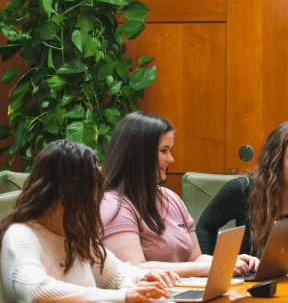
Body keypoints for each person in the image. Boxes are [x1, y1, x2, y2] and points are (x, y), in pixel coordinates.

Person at [0, 140, 177, 303]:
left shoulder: (76, 233)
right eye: (91, 181)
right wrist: (122, 296)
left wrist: (142, 278)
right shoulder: (20, 234)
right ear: (64, 187)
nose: (97, 191)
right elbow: (34, 291)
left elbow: (117, 274)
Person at [100, 112, 256, 277]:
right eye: (164, 151)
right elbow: (135, 269)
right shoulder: (113, 205)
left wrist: (230, 261)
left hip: (181, 293)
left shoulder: (170, 197)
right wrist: (211, 268)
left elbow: (195, 259)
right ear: (139, 154)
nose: (171, 159)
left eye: (170, 150)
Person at [195, 119, 288, 259]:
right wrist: (209, 265)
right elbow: (204, 227)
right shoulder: (243, 189)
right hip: (254, 281)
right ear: (275, 160)